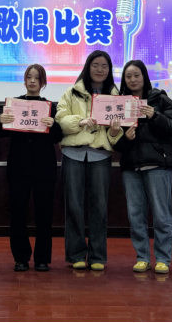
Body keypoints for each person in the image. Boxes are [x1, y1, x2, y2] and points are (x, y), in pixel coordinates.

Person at [55, 50, 124, 271]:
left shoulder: (116, 97)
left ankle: (97, 256)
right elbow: (60, 120)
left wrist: (114, 131)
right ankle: (76, 254)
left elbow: (119, 134)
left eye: (104, 66)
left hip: (100, 155)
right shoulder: (71, 92)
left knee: (100, 207)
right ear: (87, 67)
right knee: (73, 206)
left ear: (109, 70)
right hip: (73, 154)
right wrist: (80, 121)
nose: (100, 69)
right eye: (95, 65)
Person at [0, 64, 63, 272]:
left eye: (37, 78)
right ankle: (21, 257)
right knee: (18, 213)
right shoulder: (14, 104)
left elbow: (57, 137)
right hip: (18, 166)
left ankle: (42, 258)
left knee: (44, 214)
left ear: (43, 82)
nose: (32, 81)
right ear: (24, 81)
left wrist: (53, 124)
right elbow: (1, 132)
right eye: (29, 77)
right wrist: (0, 120)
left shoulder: (50, 106)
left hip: (44, 167)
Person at [111, 60, 172, 275]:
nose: (132, 80)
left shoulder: (160, 99)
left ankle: (163, 259)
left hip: (158, 164)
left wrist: (154, 115)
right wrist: (125, 138)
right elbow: (117, 145)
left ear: (144, 76)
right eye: (128, 76)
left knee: (161, 215)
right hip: (131, 166)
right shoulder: (120, 104)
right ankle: (142, 258)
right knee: (135, 216)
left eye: (136, 75)